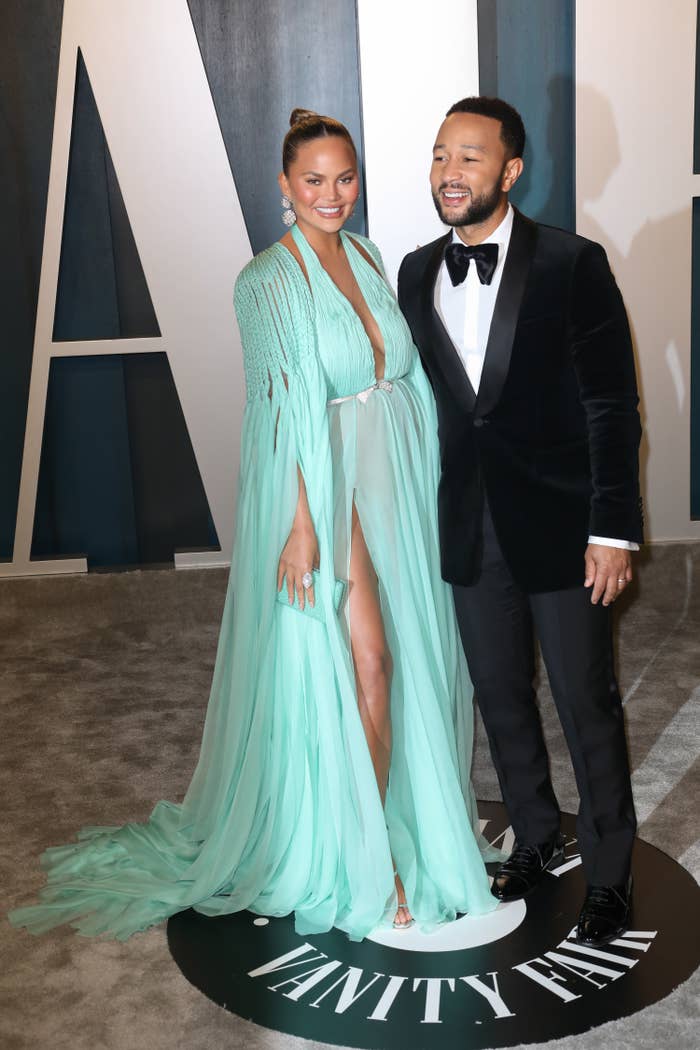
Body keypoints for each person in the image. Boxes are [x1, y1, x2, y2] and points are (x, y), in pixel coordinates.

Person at [9, 109, 500, 943]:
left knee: (408, 659)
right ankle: (367, 857)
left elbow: (400, 374)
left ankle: (388, 823)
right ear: (283, 186)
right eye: (313, 180)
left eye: (344, 178)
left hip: (398, 481)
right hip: (328, 482)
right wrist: (303, 525)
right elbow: (282, 413)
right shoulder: (265, 283)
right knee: (370, 661)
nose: (331, 195)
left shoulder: (371, 255)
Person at [397, 96, 643, 948]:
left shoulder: (574, 264)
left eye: (469, 158)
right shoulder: (416, 269)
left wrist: (613, 528)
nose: (449, 173)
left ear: (511, 171)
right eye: (438, 157)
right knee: (500, 697)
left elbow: (613, 404)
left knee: (586, 700)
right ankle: (536, 838)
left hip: (566, 526)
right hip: (471, 525)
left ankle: (611, 872)